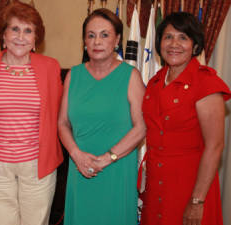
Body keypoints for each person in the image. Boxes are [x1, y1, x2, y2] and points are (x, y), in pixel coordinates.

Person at [0, 2, 63, 225]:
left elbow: (61, 111)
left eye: (28, 30)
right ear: (3, 34)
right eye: (15, 29)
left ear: (36, 37)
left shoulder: (50, 67)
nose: (21, 36)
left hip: (38, 165)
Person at [140, 12, 231, 225]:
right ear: (159, 42)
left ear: (195, 45)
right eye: (168, 37)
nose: (174, 44)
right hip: (156, 186)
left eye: (183, 37)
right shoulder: (153, 83)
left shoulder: (206, 83)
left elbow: (215, 146)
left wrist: (197, 201)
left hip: (190, 186)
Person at [58, 8, 146, 225]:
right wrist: (77, 155)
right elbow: (62, 123)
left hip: (116, 169)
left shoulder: (130, 76)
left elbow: (141, 127)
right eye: (91, 35)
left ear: (117, 40)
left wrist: (107, 158)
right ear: (84, 42)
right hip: (80, 169)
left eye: (104, 35)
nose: (97, 41)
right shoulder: (73, 75)